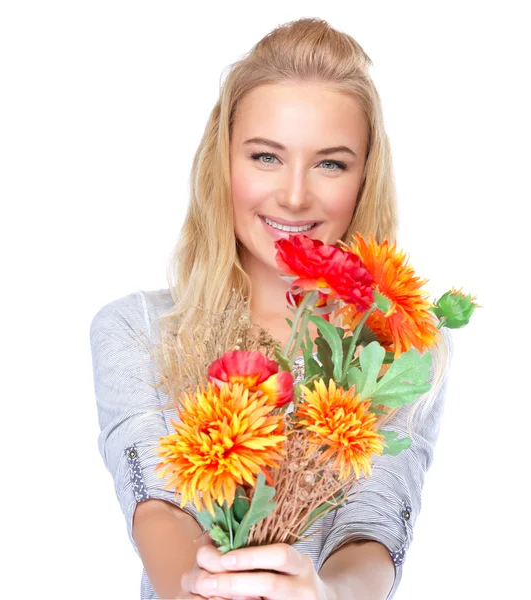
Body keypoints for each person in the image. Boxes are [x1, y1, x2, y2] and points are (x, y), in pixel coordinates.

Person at [89, 17, 452, 600]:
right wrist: (199, 588)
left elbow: (376, 528)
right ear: (223, 162)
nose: (293, 195)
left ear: (364, 178)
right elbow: (155, 506)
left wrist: (327, 596)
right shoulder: (137, 329)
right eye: (266, 157)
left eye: (330, 163)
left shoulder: (403, 350)